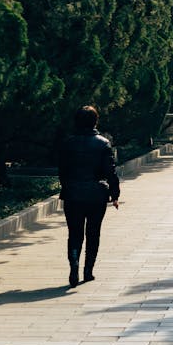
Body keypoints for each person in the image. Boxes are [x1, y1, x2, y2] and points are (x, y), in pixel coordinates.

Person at [58, 105, 119, 287]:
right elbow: (110, 172)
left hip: (72, 195)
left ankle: (74, 263)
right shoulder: (103, 143)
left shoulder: (68, 143)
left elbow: (62, 170)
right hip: (96, 195)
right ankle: (88, 271)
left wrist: (68, 186)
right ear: (95, 121)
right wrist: (115, 194)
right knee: (93, 233)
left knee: (74, 233)